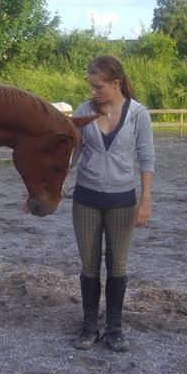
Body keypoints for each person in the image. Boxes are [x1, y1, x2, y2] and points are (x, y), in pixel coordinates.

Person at [70, 55, 155, 352]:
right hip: (86, 198)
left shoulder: (138, 114)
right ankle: (90, 325)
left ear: (115, 83)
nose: (92, 92)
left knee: (117, 264)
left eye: (98, 87)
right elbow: (73, 155)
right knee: (89, 264)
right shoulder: (83, 111)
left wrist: (145, 200)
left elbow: (146, 157)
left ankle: (115, 327)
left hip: (122, 200)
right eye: (90, 86)